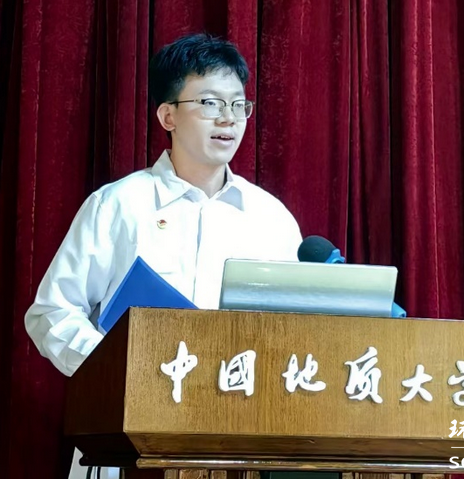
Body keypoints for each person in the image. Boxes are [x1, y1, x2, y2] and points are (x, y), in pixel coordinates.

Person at [24, 33, 302, 479]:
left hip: (238, 441)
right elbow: (52, 313)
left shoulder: (271, 218)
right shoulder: (118, 205)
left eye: (238, 105)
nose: (228, 119)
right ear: (168, 115)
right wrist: (117, 374)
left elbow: (296, 332)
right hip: (129, 439)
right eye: (209, 103)